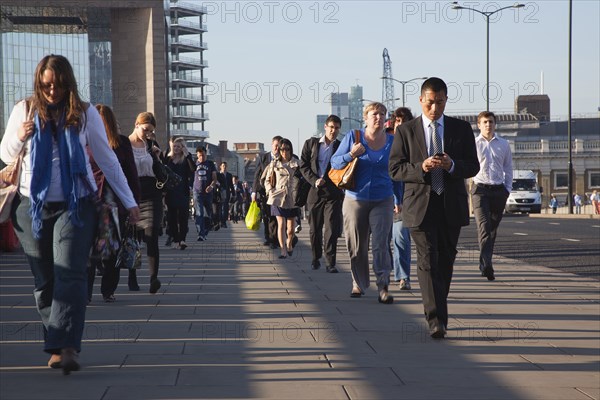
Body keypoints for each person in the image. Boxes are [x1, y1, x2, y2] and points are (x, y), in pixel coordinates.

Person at [0, 55, 139, 374]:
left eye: (58, 85)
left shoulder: (85, 113)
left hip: (76, 204)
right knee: (45, 280)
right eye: (46, 85)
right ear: (39, 82)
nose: (52, 91)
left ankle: (66, 346)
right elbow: (5, 153)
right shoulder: (24, 109)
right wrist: (20, 135)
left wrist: (129, 201)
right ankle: (56, 336)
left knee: (72, 273)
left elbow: (108, 159)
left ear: (68, 83)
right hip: (31, 206)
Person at [388, 77, 480, 339]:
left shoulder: (460, 130)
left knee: (446, 261)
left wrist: (451, 165)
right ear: (421, 101)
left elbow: (473, 166)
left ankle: (438, 307)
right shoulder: (406, 131)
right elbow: (394, 169)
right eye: (429, 102)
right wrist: (421, 168)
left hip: (450, 205)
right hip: (420, 206)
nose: (434, 108)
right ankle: (436, 320)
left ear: (446, 101)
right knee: (428, 261)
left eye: (440, 102)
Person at [331, 102, 395, 304]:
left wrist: (399, 199)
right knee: (357, 245)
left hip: (383, 199)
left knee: (381, 244)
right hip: (355, 199)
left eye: (382, 114)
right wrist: (352, 154)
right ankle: (357, 283)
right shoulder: (353, 137)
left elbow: (399, 173)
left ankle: (383, 286)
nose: (379, 117)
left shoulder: (393, 141)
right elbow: (334, 163)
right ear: (365, 118)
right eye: (374, 114)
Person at [87, 104, 141, 303]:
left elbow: (131, 175)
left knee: (111, 249)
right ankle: (85, 293)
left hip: (114, 205)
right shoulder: (85, 142)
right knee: (88, 249)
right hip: (90, 202)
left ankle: (107, 290)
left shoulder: (121, 143)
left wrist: (134, 203)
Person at [299, 114, 344, 273]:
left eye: (337, 128)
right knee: (315, 229)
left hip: (333, 193)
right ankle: (315, 257)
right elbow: (303, 165)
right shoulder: (311, 144)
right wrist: (314, 180)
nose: (334, 131)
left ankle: (330, 262)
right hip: (315, 191)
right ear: (325, 127)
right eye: (331, 127)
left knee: (331, 228)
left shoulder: (341, 145)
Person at [471, 111, 513, 281]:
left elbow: (508, 168)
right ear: (479, 125)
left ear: (495, 124)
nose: (488, 125)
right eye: (485, 122)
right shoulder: (473, 144)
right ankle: (487, 265)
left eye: (491, 122)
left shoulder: (503, 144)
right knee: (484, 226)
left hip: (498, 190)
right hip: (480, 189)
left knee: (492, 229)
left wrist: (507, 189)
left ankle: (484, 263)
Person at [128, 112, 163, 294]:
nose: (148, 134)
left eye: (151, 131)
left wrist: (157, 156)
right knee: (133, 237)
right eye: (145, 130)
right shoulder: (125, 144)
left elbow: (160, 172)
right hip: (132, 193)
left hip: (152, 192)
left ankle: (153, 277)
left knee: (151, 236)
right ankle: (132, 276)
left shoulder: (151, 145)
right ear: (137, 124)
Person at [263, 138, 301, 259]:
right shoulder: (274, 164)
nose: (284, 151)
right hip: (278, 197)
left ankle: (289, 243)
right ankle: (283, 250)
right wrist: (270, 191)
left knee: (290, 228)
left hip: (292, 198)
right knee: (281, 224)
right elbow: (267, 180)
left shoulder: (297, 163)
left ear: (291, 149)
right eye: (282, 149)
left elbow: (303, 178)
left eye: (287, 149)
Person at [391, 107, 413, 290]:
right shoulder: (386, 143)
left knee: (401, 238)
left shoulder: (416, 145)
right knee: (383, 242)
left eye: (404, 121)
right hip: (388, 198)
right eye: (397, 121)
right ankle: (388, 270)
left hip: (411, 198)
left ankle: (403, 277)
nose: (400, 125)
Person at [164, 137, 195, 249]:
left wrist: (187, 155)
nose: (176, 148)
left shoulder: (186, 158)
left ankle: (182, 240)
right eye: (175, 146)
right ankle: (175, 239)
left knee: (183, 217)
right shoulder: (168, 158)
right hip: (170, 191)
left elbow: (193, 169)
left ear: (183, 148)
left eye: (179, 146)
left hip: (183, 191)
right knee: (171, 218)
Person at [253, 135, 282, 248]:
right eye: (276, 146)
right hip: (265, 192)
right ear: (272, 145)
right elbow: (257, 175)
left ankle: (274, 240)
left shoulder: (283, 158)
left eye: (279, 146)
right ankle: (268, 237)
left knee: (275, 216)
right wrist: (254, 192)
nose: (277, 149)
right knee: (267, 216)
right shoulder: (263, 158)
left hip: (278, 192)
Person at [193, 146, 218, 241]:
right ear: (197, 155)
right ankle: (200, 234)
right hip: (197, 192)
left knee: (208, 213)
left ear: (206, 154)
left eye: (203, 155)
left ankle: (205, 230)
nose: (201, 158)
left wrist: (211, 186)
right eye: (199, 156)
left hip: (208, 192)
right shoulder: (194, 164)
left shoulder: (210, 164)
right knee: (199, 212)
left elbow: (214, 178)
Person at [217, 161, 234, 228]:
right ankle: (220, 221)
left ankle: (224, 222)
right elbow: (216, 183)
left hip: (227, 193)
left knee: (225, 207)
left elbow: (231, 185)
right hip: (220, 192)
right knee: (220, 207)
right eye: (223, 166)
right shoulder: (218, 174)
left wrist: (233, 193)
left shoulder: (229, 175)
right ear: (220, 167)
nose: (224, 167)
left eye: (225, 166)